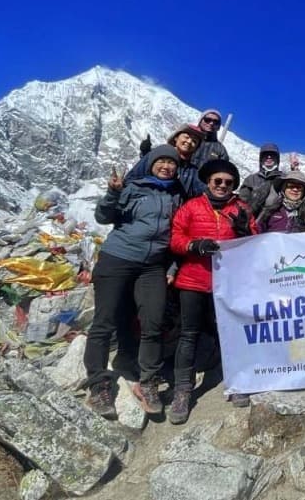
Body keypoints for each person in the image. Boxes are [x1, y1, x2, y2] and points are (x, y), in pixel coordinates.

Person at [84, 145, 186, 418]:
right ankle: (98, 384)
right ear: (151, 163)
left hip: (153, 266)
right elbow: (103, 217)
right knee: (104, 321)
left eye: (172, 163)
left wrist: (173, 265)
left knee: (153, 321)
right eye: (161, 161)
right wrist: (113, 192)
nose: (167, 166)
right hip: (118, 257)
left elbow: (176, 233)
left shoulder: (177, 195)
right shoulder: (133, 187)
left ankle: (148, 381)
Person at [168, 159, 257, 424]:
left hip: (229, 282)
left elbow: (255, 242)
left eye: (228, 182)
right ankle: (182, 391)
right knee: (189, 335)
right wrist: (193, 245)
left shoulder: (242, 209)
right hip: (193, 280)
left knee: (233, 333)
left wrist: (246, 231)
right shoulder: (191, 207)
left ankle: (238, 382)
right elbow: (175, 237)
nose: (222, 185)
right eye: (218, 181)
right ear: (208, 182)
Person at [127, 124, 205, 198]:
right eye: (186, 137)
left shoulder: (193, 173)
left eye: (194, 141)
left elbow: (202, 193)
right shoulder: (154, 156)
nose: (189, 141)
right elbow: (131, 179)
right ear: (176, 138)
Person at [239, 143, 283, 219]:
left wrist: (295, 170)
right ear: (261, 159)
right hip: (253, 220)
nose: (269, 157)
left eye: (272, 155)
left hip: (277, 220)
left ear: (277, 159)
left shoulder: (283, 178)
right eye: (266, 155)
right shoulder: (251, 179)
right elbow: (242, 202)